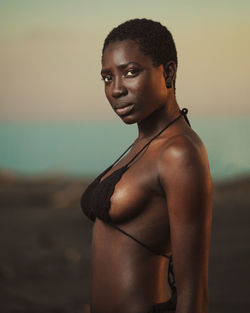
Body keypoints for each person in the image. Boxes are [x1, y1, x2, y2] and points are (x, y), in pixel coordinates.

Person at [81, 18, 212, 313]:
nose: (116, 90)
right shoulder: (142, 145)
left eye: (130, 72)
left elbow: (194, 290)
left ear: (168, 72)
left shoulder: (178, 152)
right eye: (107, 78)